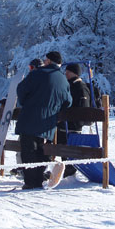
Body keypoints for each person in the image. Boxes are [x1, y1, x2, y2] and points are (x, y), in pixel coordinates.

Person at [15, 51, 72, 189]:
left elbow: (21, 90)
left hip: (30, 118)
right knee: (42, 150)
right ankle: (39, 180)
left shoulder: (36, 74)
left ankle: (30, 182)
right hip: (49, 123)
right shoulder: (63, 80)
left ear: (48, 61)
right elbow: (68, 102)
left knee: (28, 151)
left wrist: (26, 103)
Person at [57, 63, 91, 177]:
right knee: (62, 146)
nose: (66, 74)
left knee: (69, 147)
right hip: (66, 122)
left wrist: (75, 121)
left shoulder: (79, 86)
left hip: (73, 124)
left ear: (75, 73)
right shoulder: (71, 85)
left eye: (68, 72)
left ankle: (69, 171)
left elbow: (82, 106)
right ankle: (65, 170)